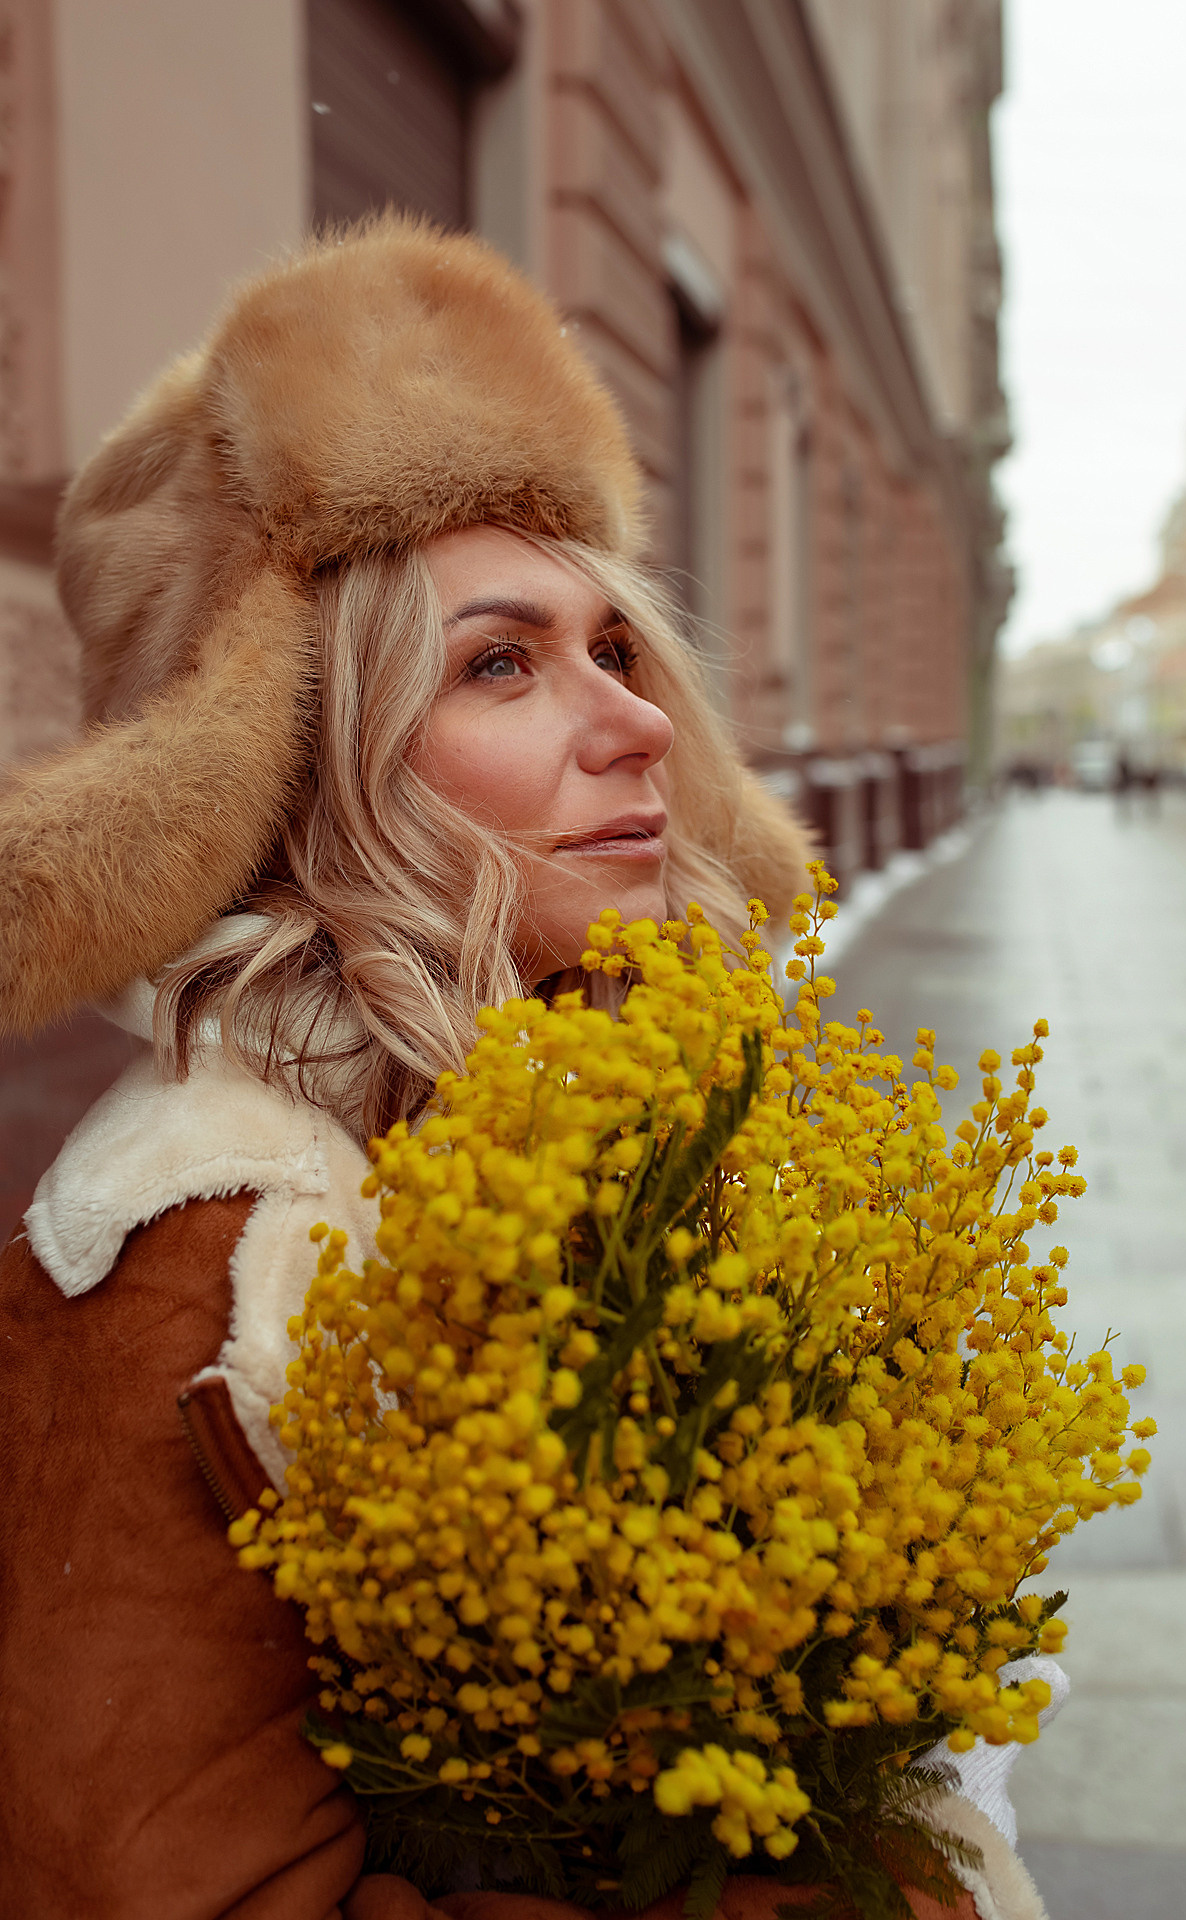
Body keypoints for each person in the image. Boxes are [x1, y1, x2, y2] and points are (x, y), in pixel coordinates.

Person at [0, 217, 1046, 1919]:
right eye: (501, 662)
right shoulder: (192, 1247)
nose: (635, 722)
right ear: (304, 769)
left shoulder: (672, 1121)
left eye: (614, 648)